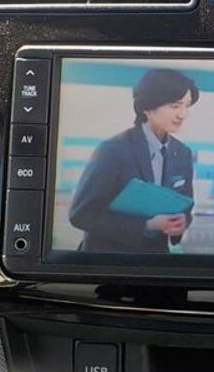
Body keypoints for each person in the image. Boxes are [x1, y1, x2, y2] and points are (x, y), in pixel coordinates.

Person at [69, 69, 198, 253]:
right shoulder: (113, 150)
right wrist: (146, 225)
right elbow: (82, 215)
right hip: (108, 258)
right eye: (175, 106)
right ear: (147, 107)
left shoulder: (183, 153)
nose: (182, 114)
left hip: (155, 258)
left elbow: (186, 205)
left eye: (187, 106)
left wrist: (183, 221)